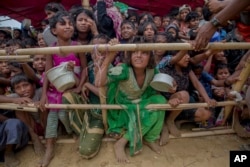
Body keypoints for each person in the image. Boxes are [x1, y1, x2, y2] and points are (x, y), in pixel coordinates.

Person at [95, 37, 166, 163]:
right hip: (123, 109)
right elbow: (99, 82)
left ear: (150, 56)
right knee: (145, 111)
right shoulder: (123, 70)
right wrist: (111, 55)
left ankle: (150, 138)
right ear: (129, 55)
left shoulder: (152, 71)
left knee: (161, 101)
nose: (138, 56)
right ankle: (121, 143)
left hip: (139, 102)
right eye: (134, 52)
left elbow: (157, 90)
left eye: (144, 53)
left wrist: (172, 90)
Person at [39, 11, 87, 167]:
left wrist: (79, 87)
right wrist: (44, 94)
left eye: (70, 24)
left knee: (65, 115)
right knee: (53, 114)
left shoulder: (77, 46)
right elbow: (47, 73)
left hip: (73, 86)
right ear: (54, 30)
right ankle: (50, 146)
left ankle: (71, 131)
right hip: (56, 89)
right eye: (63, 24)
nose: (68, 27)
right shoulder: (50, 49)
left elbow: (85, 69)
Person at [62, 34, 112, 159]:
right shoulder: (89, 66)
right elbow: (80, 86)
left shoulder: (110, 68)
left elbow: (105, 95)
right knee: (68, 96)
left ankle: (87, 131)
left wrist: (88, 85)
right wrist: (71, 72)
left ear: (107, 51)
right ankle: (84, 130)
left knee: (86, 151)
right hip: (88, 109)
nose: (97, 52)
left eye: (101, 48)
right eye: (94, 48)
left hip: (102, 113)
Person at [159, 49, 217, 145]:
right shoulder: (167, 66)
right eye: (184, 55)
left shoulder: (186, 68)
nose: (188, 57)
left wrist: (207, 99)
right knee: (184, 95)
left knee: (206, 114)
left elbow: (196, 83)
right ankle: (168, 120)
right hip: (168, 103)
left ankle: (177, 120)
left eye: (188, 55)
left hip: (182, 105)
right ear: (175, 56)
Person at [0, 73, 45, 156]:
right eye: (18, 88)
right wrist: (14, 100)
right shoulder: (17, 96)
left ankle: (47, 135)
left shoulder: (41, 92)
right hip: (32, 128)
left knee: (45, 105)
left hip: (45, 124)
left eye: (26, 85)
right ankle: (35, 138)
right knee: (19, 107)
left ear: (34, 85)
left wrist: (42, 101)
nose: (23, 89)